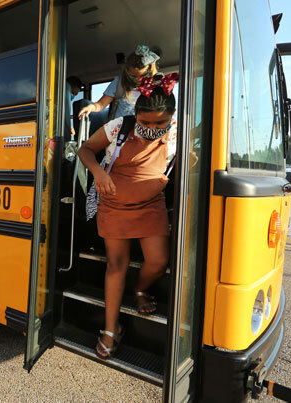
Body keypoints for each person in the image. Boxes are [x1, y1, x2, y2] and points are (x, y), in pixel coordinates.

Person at [77, 73, 179, 359]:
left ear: (171, 117)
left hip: (151, 206)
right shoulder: (118, 127)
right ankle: (111, 329)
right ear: (136, 114)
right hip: (113, 206)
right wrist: (97, 173)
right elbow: (86, 150)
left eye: (160, 123)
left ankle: (141, 290)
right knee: (116, 264)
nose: (153, 129)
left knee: (158, 261)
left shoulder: (176, 133)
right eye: (146, 123)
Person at [78, 45, 161, 122]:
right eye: (133, 76)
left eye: (143, 75)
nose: (138, 79)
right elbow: (101, 104)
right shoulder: (120, 83)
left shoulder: (157, 85)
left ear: (151, 71)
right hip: (120, 129)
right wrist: (91, 107)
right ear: (127, 71)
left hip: (144, 128)